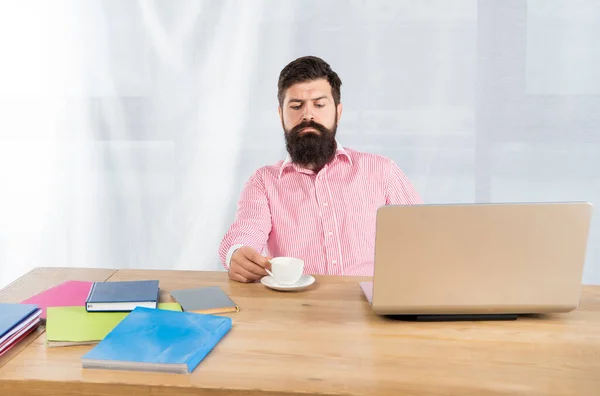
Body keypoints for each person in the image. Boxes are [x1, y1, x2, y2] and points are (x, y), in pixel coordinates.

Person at [219, 56, 422, 283]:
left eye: (319, 104)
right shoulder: (264, 182)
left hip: (368, 309)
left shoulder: (381, 171)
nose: (308, 115)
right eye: (296, 106)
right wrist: (236, 254)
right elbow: (245, 232)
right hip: (293, 310)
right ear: (280, 115)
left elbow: (424, 234)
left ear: (338, 111)